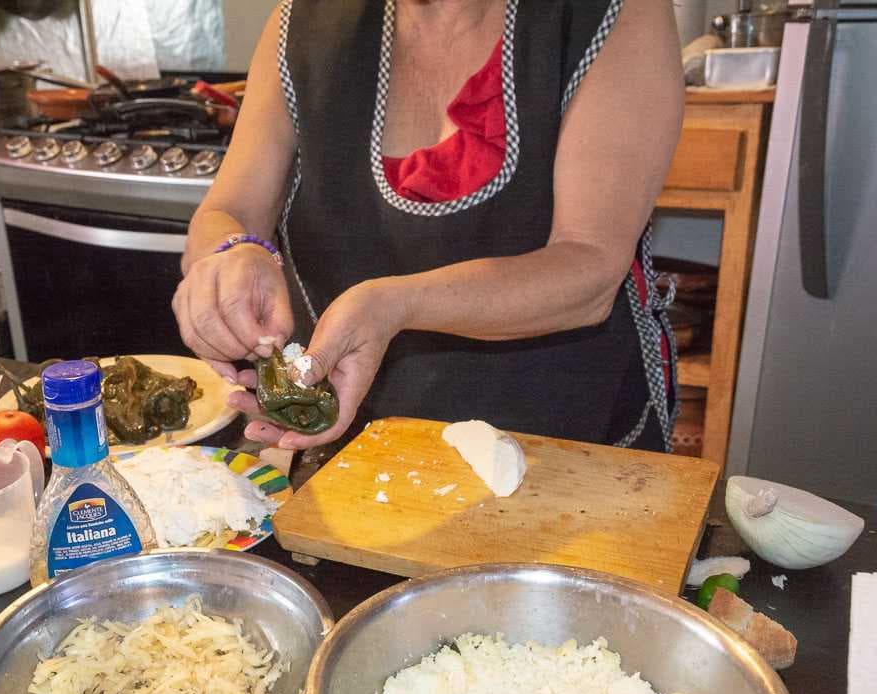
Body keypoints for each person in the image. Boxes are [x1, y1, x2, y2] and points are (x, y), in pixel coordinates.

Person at [173, 0, 683, 452]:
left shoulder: (611, 13)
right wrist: (230, 255)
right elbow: (231, 209)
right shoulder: (301, 22)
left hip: (566, 447)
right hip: (356, 448)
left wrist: (393, 304)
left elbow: (589, 268)